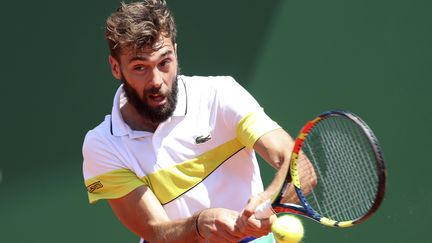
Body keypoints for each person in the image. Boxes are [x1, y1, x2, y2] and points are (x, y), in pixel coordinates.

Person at [82, 0, 316, 242]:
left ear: (175, 51)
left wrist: (268, 205)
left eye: (164, 63)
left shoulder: (221, 94)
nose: (156, 81)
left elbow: (300, 168)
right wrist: (198, 224)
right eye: (140, 67)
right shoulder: (102, 145)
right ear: (115, 67)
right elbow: (155, 230)